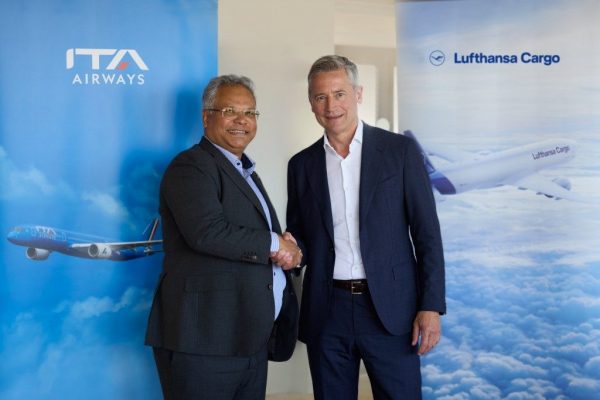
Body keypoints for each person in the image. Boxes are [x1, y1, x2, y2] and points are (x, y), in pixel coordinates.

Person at [286, 55, 446, 399]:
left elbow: (427, 235)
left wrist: (431, 306)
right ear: (311, 103)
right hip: (327, 311)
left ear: (358, 94)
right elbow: (301, 235)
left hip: (392, 310)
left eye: (339, 94)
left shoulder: (400, 151)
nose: (331, 106)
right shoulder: (300, 165)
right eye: (320, 97)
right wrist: (291, 249)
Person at [145, 74, 302, 400]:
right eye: (230, 111)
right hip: (205, 341)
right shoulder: (190, 166)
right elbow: (207, 232)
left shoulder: (246, 172)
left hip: (247, 338)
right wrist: (276, 244)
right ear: (207, 117)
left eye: (250, 112)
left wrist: (290, 251)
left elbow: (258, 238)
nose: (242, 120)